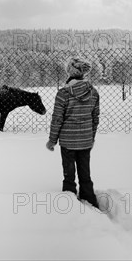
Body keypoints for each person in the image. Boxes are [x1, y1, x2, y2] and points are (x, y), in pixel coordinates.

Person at [46, 57, 100, 208]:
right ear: (83, 73)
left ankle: (69, 203)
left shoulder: (63, 93)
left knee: (69, 174)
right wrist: (91, 137)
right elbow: (95, 118)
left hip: (68, 142)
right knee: (85, 172)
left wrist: (52, 140)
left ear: (69, 72)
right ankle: (89, 198)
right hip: (85, 140)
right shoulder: (93, 93)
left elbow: (57, 119)